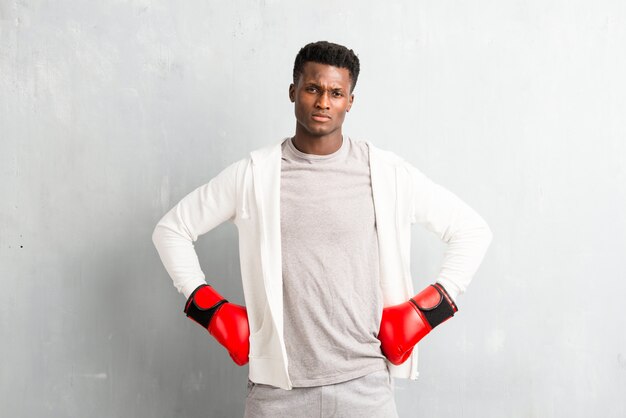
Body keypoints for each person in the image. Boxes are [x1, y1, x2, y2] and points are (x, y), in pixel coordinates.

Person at [152, 40, 493, 418]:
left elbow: (471, 230)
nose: (323, 102)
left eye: (336, 93)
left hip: (365, 387)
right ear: (293, 91)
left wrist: (428, 311)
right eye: (313, 89)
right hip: (277, 391)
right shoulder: (253, 175)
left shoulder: (385, 173)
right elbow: (171, 230)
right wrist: (209, 309)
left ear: (350, 101)